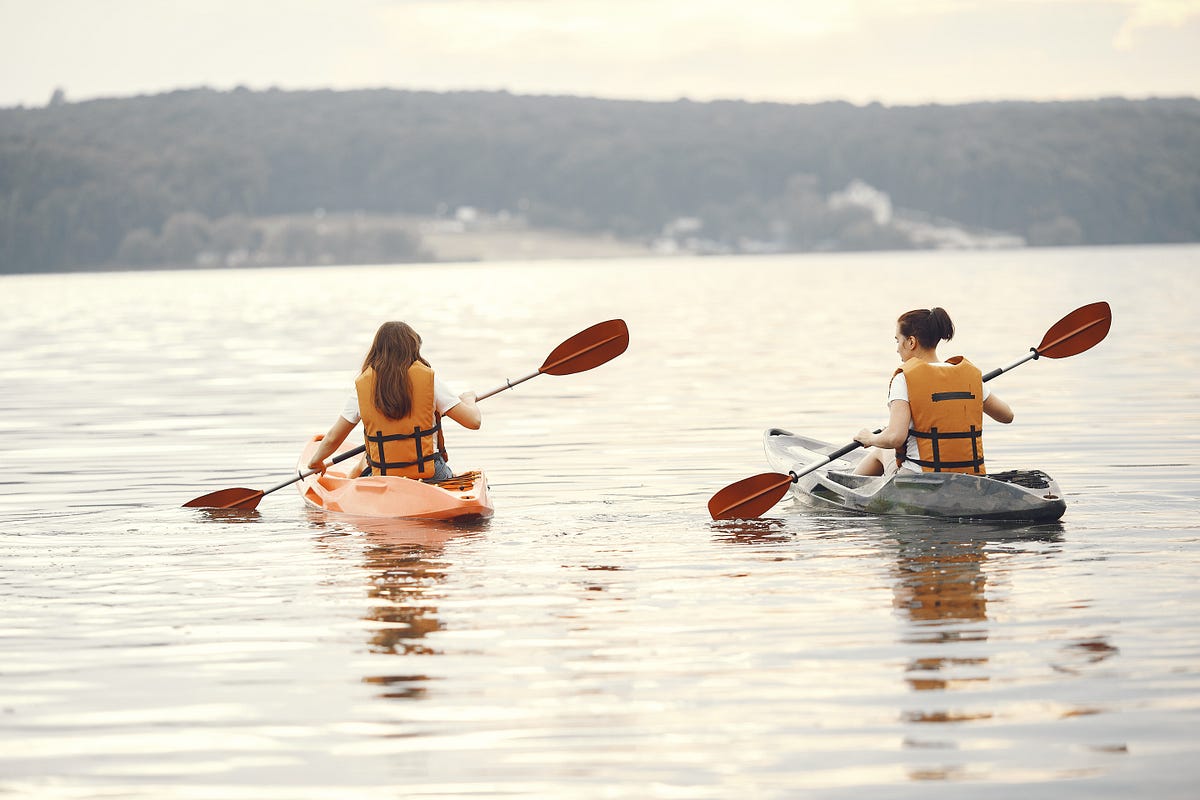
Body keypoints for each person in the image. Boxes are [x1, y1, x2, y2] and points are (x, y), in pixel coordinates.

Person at [306, 321, 481, 482]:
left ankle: (349, 485)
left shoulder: (363, 387)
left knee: (365, 462)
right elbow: (474, 422)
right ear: (413, 348)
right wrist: (469, 400)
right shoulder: (429, 382)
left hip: (384, 476)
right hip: (430, 474)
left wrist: (316, 461)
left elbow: (332, 438)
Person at [853, 307, 1013, 477]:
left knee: (881, 450)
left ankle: (850, 488)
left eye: (897, 340)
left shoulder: (904, 378)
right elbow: (1007, 416)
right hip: (969, 477)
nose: (897, 348)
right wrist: (978, 388)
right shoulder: (970, 376)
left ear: (911, 342)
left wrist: (870, 439)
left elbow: (895, 438)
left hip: (919, 478)